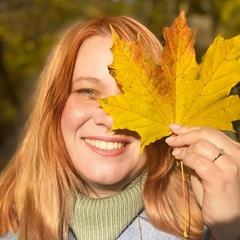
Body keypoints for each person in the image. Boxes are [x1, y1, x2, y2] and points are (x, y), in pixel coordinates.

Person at [0, 15, 239, 240]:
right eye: (88, 92)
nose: (112, 119)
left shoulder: (213, 226)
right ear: (53, 108)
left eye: (131, 100)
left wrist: (231, 231)